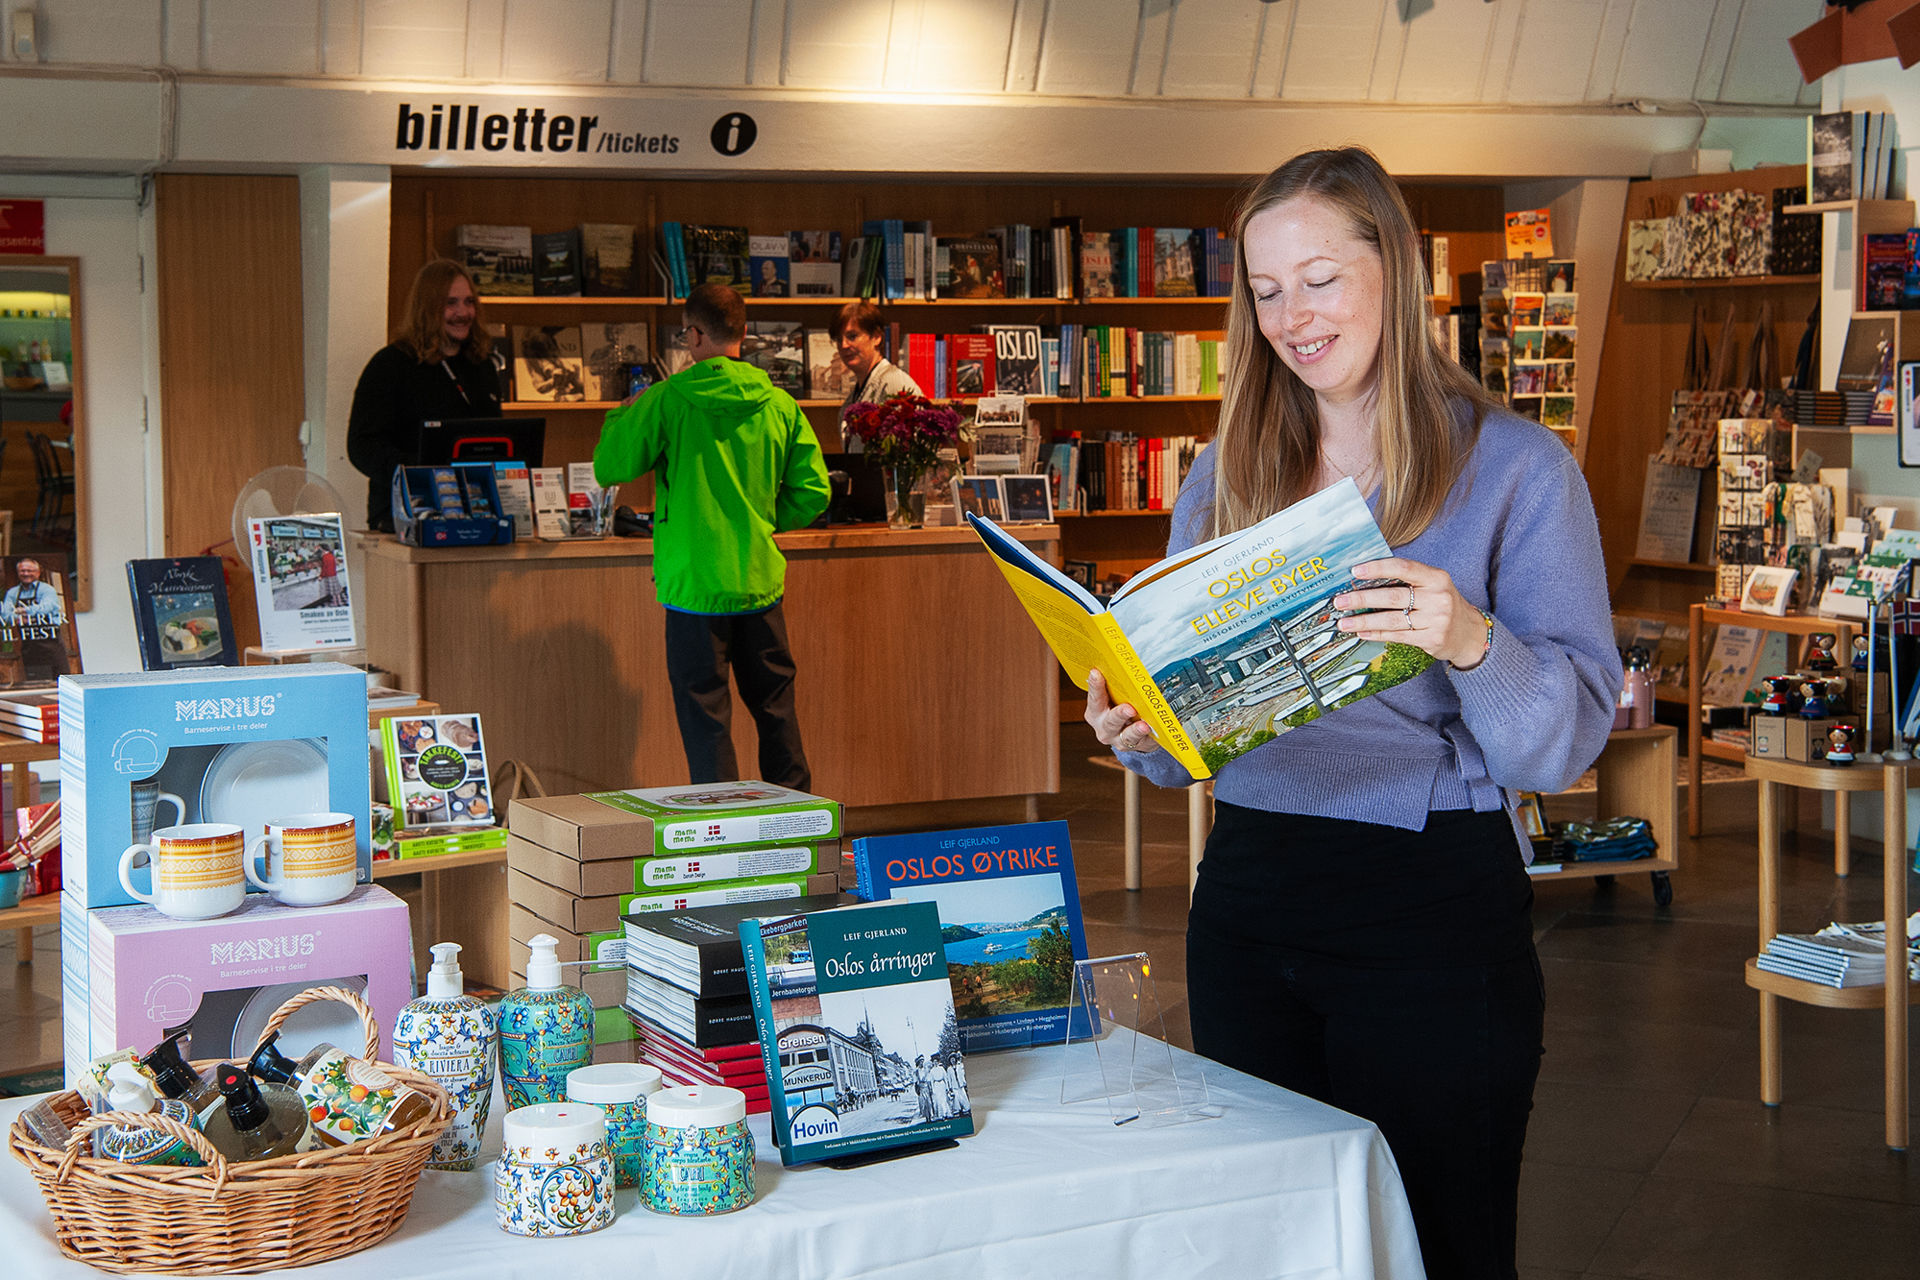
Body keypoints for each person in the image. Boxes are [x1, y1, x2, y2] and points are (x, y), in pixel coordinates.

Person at [1084, 147, 1618, 1280]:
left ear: (1396, 269)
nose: (1293, 317)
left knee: (1443, 1236)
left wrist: (1470, 638)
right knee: (1277, 1243)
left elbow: (1562, 746)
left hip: (1430, 903)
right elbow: (1194, 750)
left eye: (1319, 278)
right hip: (1251, 889)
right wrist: (1144, 730)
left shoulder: (1521, 470)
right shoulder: (1227, 470)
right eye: (1266, 291)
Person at [593, 284, 830, 790]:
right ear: (742, 333)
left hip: (693, 585)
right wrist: (764, 520)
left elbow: (611, 465)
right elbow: (814, 493)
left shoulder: (666, 400)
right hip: (758, 580)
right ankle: (801, 835)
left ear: (695, 335)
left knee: (707, 723)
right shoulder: (780, 403)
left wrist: (624, 411)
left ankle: (725, 847)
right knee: (777, 712)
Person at [347, 259, 502, 532]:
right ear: (426, 308)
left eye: (469, 302)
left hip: (478, 512)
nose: (463, 312)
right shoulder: (390, 365)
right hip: (403, 518)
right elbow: (362, 446)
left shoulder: (482, 365)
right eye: (451, 303)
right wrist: (419, 470)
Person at [834, 301, 921, 451]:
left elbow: (911, 451)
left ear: (876, 337)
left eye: (852, 336)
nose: (844, 345)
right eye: (838, 339)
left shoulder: (893, 383)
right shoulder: (852, 398)